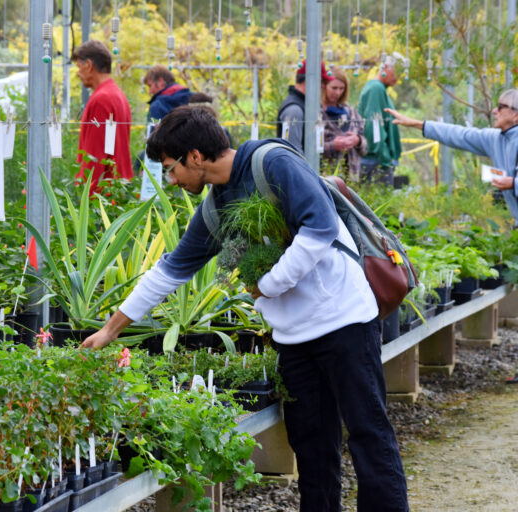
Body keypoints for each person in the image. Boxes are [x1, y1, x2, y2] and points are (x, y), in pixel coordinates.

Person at [81, 105, 409, 512]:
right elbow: (168, 272)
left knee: (368, 437)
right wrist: (110, 330)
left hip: (343, 322)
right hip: (293, 339)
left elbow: (320, 229)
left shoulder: (273, 163)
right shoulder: (216, 209)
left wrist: (266, 287)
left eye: (171, 168)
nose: (171, 179)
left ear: (195, 157)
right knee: (312, 450)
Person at [386, 89, 518, 228]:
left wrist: (513, 184)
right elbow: (459, 135)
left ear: (516, 115)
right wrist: (418, 124)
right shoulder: (496, 139)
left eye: (501, 107)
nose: (494, 111)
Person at [72, 40, 133, 193]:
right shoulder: (117, 94)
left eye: (79, 67)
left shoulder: (101, 99)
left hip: (103, 193)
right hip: (118, 187)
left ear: (89, 65)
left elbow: (95, 155)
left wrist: (86, 194)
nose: (78, 73)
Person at [357, 52, 404, 186]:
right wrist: (384, 159)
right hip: (375, 161)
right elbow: (374, 125)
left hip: (376, 160)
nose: (398, 77)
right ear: (386, 68)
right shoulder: (375, 88)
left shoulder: (379, 89)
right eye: (397, 72)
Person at [321, 66, 367, 181]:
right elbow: (306, 146)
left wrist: (357, 140)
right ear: (324, 86)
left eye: (341, 88)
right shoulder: (315, 112)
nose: (338, 92)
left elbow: (365, 147)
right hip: (325, 178)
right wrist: (333, 145)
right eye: (334, 88)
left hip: (351, 178)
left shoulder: (349, 111)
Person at [276, 59, 332, 152]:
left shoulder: (306, 105)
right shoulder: (294, 110)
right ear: (309, 80)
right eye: (321, 81)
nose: (323, 86)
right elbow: (293, 153)